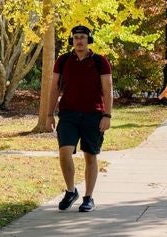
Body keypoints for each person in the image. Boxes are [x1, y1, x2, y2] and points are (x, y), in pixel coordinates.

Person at [46, 25, 113, 212]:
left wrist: (107, 115)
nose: (79, 40)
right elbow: (54, 88)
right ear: (72, 40)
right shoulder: (63, 60)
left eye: (83, 37)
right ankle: (70, 190)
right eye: (76, 37)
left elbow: (108, 89)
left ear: (88, 40)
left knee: (90, 156)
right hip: (68, 114)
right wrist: (49, 114)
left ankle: (88, 197)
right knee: (64, 153)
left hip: (94, 115)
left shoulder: (100, 61)